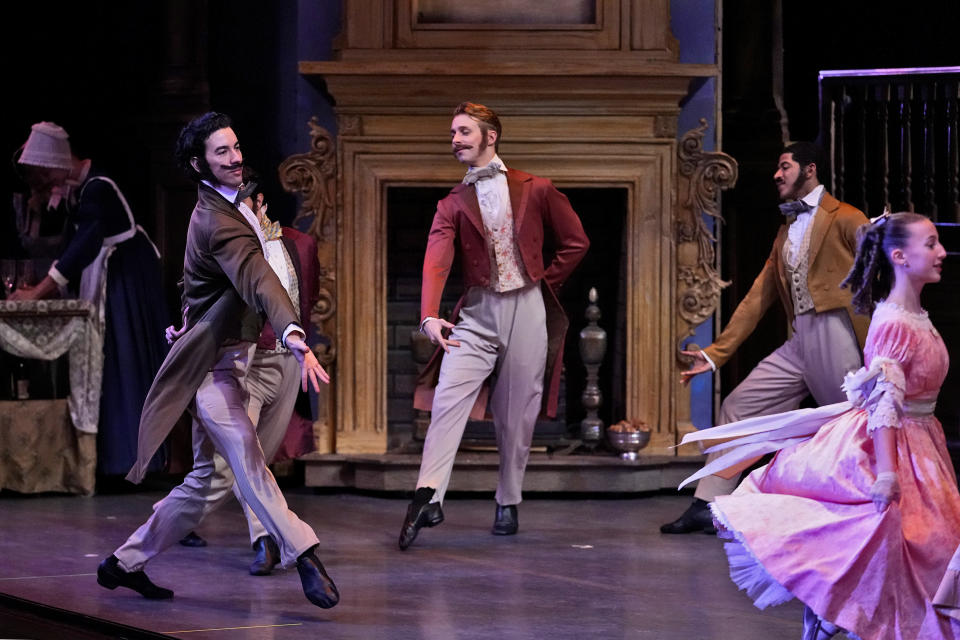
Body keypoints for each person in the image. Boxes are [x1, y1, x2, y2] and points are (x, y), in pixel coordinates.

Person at [96, 112, 338, 609]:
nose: (235, 157)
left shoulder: (239, 202)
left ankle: (122, 563)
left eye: (236, 147)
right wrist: (294, 333)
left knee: (206, 483)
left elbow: (233, 275)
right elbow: (256, 276)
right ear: (198, 163)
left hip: (242, 359)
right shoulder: (216, 220)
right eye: (221, 152)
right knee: (249, 460)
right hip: (213, 368)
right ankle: (306, 554)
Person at [680, 212, 960, 639]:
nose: (941, 252)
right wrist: (886, 472)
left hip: (923, 445)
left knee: (922, 546)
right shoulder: (894, 323)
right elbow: (885, 403)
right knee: (906, 541)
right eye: (931, 244)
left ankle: (852, 620)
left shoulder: (914, 314)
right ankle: (834, 617)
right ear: (900, 256)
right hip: (896, 446)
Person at [399, 102, 589, 550]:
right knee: (448, 397)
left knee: (516, 413)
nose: (456, 140)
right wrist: (429, 315)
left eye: (464, 131)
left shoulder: (536, 188)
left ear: (491, 136)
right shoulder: (451, 202)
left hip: (528, 308)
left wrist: (544, 279)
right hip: (478, 312)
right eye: (452, 133)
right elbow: (436, 259)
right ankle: (428, 496)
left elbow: (577, 241)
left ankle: (508, 498)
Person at [661, 141, 870, 534]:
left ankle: (869, 508)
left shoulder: (845, 217)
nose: (777, 174)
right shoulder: (786, 230)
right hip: (800, 338)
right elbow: (758, 296)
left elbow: (877, 274)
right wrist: (713, 355)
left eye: (785, 166)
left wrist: (881, 344)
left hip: (836, 332)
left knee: (851, 423)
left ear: (809, 169)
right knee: (739, 407)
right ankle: (710, 505)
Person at [170, 167, 320, 575]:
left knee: (261, 458)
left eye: (243, 206)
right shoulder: (225, 245)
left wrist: (300, 346)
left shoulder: (300, 245)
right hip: (245, 361)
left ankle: (182, 519)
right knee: (245, 456)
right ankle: (264, 541)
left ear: (260, 205)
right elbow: (197, 292)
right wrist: (185, 325)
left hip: (285, 362)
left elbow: (307, 295)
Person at [10, 121, 168, 475]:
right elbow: (66, 245)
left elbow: (84, 246)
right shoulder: (80, 189)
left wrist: (39, 292)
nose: (46, 185)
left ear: (55, 165)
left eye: (43, 176)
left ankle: (132, 459)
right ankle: (116, 458)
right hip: (112, 278)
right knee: (108, 364)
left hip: (127, 280)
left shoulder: (98, 188)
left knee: (122, 361)